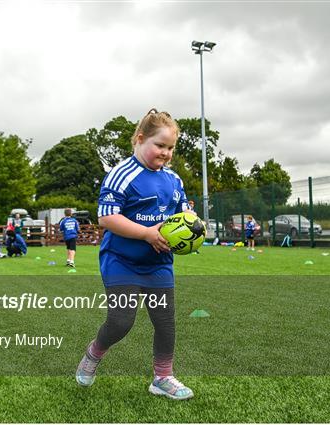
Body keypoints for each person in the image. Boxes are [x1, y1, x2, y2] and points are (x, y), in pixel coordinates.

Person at [75, 109, 194, 400]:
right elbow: (107, 218)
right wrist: (146, 233)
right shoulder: (120, 175)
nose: (166, 153)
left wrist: (190, 221)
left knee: (165, 323)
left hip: (159, 264)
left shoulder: (174, 180)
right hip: (121, 261)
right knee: (121, 321)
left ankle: (162, 377)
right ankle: (94, 352)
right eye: (160, 146)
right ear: (140, 139)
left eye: (170, 148)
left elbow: (181, 213)